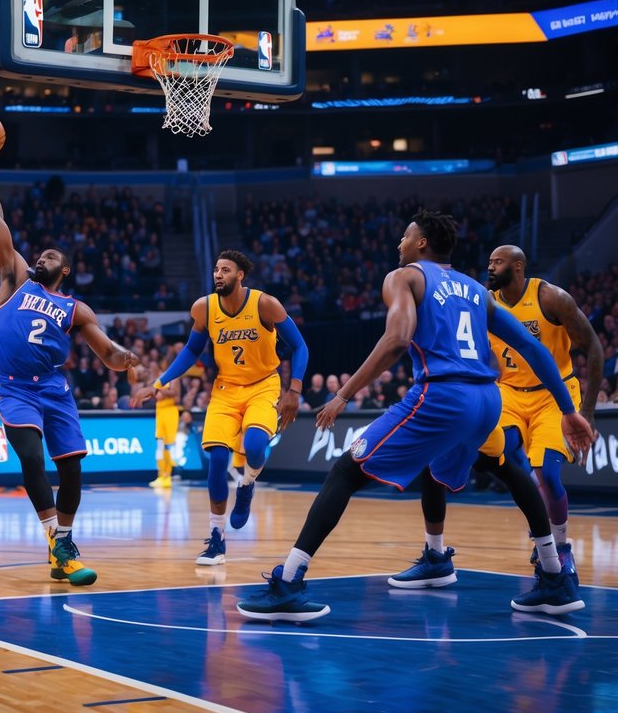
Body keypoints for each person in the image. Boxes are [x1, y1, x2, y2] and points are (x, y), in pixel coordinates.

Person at [235, 210, 594, 621]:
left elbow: (397, 339)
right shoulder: (477, 289)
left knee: (346, 472)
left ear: (421, 243)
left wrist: (343, 395)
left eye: (405, 236)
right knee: (501, 467)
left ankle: (289, 583)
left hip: (443, 396)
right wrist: (568, 411)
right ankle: (551, 576)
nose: (399, 244)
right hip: (487, 400)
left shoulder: (404, 276)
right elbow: (535, 350)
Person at [0, 153, 145, 586]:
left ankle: (63, 541)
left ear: (64, 270)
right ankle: (58, 542)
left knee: (71, 468)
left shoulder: (74, 307)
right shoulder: (14, 277)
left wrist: (124, 358)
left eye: (50, 255)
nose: (41, 256)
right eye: (41, 253)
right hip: (13, 388)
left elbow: (106, 352)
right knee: (31, 455)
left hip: (53, 387)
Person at [392, 244, 603, 590]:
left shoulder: (551, 298)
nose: (490, 267)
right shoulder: (482, 302)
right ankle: (436, 555)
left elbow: (593, 347)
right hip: (506, 396)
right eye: (488, 261)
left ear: (518, 267)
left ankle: (560, 548)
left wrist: (587, 412)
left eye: (498, 262)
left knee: (547, 474)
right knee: (465, 454)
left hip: (554, 396)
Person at [133, 251, 308, 564]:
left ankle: (247, 484)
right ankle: (217, 538)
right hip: (225, 389)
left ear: (240, 275)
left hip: (263, 385)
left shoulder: (265, 304)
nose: (218, 275)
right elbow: (191, 351)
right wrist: (158, 384)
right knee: (216, 460)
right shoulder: (204, 308)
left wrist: (294, 389)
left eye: (225, 270)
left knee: (255, 444)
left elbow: (300, 346)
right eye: (216, 269)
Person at [150, 377, 181, 489]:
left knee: (168, 446)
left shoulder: (174, 380)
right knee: (159, 445)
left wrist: (160, 389)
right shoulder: (159, 378)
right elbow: (156, 395)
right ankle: (160, 476)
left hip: (170, 412)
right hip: (160, 412)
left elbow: (177, 398)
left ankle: (167, 476)